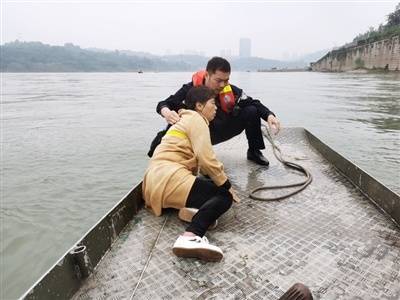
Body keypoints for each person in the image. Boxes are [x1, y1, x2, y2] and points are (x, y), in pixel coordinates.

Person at [142, 86, 239, 262]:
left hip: (154, 181)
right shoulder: (196, 119)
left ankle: (192, 211)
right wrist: (227, 185)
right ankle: (191, 237)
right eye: (212, 103)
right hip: (169, 177)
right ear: (199, 106)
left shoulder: (183, 120)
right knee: (223, 196)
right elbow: (206, 159)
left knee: (208, 188)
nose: (216, 107)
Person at [155, 56, 281, 166]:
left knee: (252, 110)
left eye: (226, 80)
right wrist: (166, 112)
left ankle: (254, 151)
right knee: (174, 123)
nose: (222, 85)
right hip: (200, 134)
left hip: (223, 128)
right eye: (218, 80)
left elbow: (253, 102)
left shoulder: (230, 90)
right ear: (207, 75)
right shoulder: (190, 89)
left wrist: (269, 115)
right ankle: (189, 160)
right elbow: (164, 103)